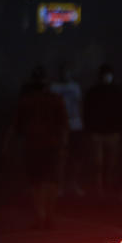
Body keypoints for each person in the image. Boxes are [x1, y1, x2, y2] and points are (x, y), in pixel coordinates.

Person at [11, 67, 69, 229]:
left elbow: (17, 127)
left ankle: (41, 216)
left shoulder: (26, 100)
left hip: (34, 145)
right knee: (51, 180)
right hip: (52, 145)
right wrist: (64, 144)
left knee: (37, 182)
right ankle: (49, 216)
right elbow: (64, 123)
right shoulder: (55, 99)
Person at [84, 64, 122, 197]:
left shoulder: (117, 92)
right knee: (98, 165)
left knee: (110, 164)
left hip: (112, 132)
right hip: (97, 133)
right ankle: (99, 189)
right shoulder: (93, 92)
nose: (107, 77)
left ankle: (108, 188)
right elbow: (87, 112)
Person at [50, 64, 85, 197]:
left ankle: (73, 184)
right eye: (63, 71)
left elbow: (80, 104)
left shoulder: (75, 87)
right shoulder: (54, 87)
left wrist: (81, 123)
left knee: (75, 157)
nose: (65, 74)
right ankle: (59, 186)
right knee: (61, 158)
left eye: (68, 71)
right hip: (60, 128)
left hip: (76, 126)